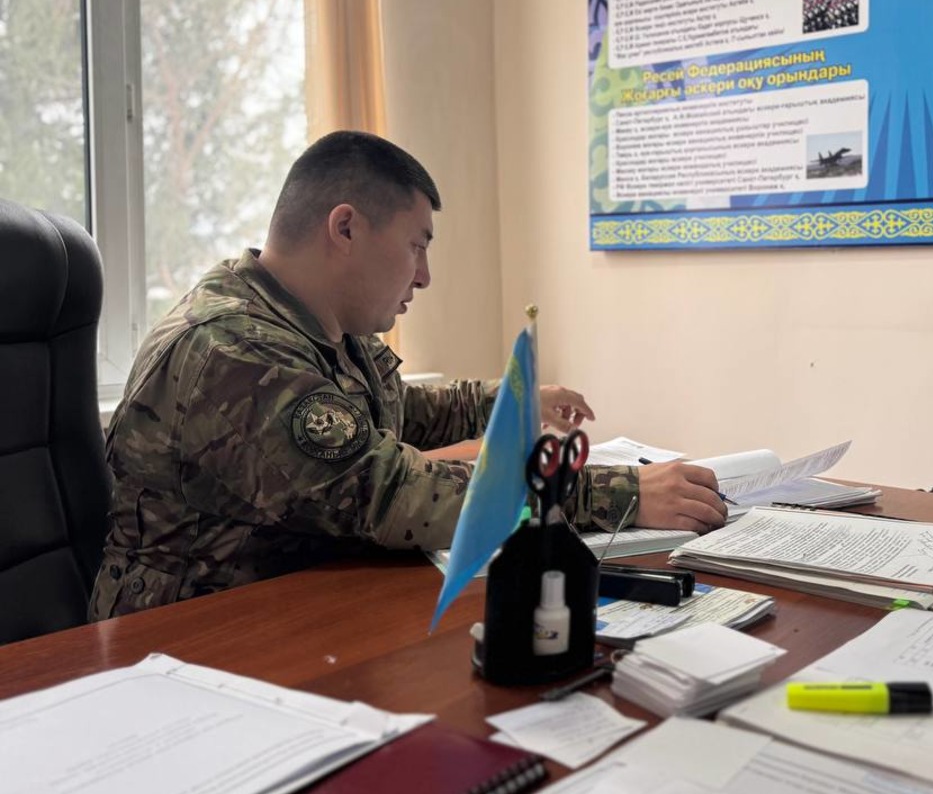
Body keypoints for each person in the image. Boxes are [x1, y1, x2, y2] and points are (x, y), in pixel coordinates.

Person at [90, 131, 727, 618]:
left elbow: (404, 414)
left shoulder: (328, 328)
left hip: (302, 606)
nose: (423, 276)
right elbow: (393, 492)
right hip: (189, 643)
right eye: (417, 245)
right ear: (345, 227)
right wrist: (622, 495)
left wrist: (513, 404)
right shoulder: (233, 352)